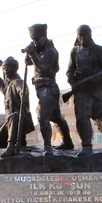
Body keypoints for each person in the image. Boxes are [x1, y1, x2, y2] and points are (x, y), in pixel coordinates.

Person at [22, 23, 74, 154]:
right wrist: (30, 51)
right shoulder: (38, 50)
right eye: (33, 40)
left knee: (42, 114)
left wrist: (33, 53)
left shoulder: (51, 51)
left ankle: (47, 147)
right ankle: (67, 142)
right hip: (40, 89)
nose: (36, 42)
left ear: (44, 37)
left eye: (37, 40)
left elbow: (42, 66)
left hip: (49, 88)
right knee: (56, 117)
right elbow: (27, 62)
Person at [64, 25, 102, 152]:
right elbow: (69, 72)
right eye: (80, 36)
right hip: (82, 89)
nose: (82, 38)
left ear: (90, 35)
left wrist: (98, 75)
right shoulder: (74, 51)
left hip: (98, 89)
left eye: (85, 35)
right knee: (82, 117)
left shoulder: (98, 50)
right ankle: (86, 145)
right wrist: (74, 83)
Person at [0, 57, 34, 158]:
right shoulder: (8, 86)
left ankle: (11, 146)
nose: (6, 71)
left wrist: (23, 94)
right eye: (4, 69)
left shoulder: (18, 82)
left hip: (19, 121)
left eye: (8, 68)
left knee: (14, 116)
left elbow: (23, 89)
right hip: (9, 124)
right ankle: (15, 143)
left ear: (15, 68)